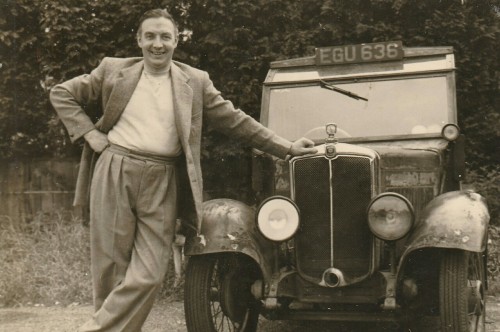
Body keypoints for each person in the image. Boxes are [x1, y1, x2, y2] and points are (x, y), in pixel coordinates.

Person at [50, 8, 316, 332]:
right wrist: (90, 134)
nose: (157, 44)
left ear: (177, 40)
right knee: (110, 271)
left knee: (150, 272)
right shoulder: (113, 70)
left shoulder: (195, 81)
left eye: (165, 36)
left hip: (163, 179)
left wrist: (286, 147)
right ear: (139, 40)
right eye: (150, 36)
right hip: (115, 169)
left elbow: (236, 121)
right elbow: (62, 93)